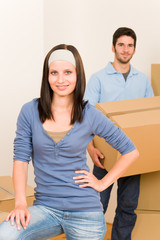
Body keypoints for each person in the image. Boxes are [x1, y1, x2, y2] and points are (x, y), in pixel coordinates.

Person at [0, 44, 139, 240]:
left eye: (68, 72)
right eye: (54, 72)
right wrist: (21, 203)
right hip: (45, 208)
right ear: (47, 76)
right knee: (5, 234)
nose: (61, 79)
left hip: (85, 211)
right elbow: (21, 160)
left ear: (77, 75)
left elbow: (131, 151)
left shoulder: (90, 115)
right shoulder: (29, 111)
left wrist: (102, 183)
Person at [84, 27, 154, 240]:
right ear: (113, 47)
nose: (125, 50)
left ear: (134, 49)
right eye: (121, 45)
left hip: (131, 154)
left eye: (130, 45)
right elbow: (84, 116)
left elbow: (149, 116)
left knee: (128, 206)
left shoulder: (142, 80)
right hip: (104, 154)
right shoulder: (98, 78)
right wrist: (90, 148)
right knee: (96, 207)